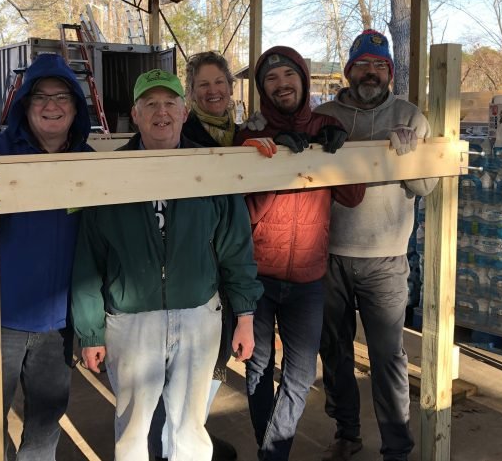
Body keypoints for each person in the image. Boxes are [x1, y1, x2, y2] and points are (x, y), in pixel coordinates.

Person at [71, 68, 264, 461]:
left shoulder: (210, 166)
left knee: (189, 428)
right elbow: (89, 258)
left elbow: (235, 247)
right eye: (151, 104)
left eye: (170, 103)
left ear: (184, 110)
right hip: (131, 320)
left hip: (198, 314)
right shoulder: (109, 174)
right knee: (132, 431)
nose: (162, 112)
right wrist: (91, 331)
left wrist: (244, 315)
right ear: (136, 114)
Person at [0, 53, 93, 460]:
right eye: (40, 96)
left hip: (60, 323)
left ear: (76, 107)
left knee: (46, 419)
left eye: (62, 96)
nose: (51, 105)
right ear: (25, 104)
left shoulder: (91, 161)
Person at [234, 46, 366, 461]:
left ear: (303, 80)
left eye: (288, 76)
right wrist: (277, 165)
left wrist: (337, 153)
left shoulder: (328, 125)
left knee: (302, 372)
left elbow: (352, 194)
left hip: (309, 277)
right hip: (258, 274)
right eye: (270, 79)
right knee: (257, 367)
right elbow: (247, 214)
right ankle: (270, 451)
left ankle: (272, 452)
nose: (281, 84)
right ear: (261, 89)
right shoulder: (249, 136)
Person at [314, 29, 438, 461]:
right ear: (349, 71)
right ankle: (346, 433)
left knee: (388, 358)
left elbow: (425, 187)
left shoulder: (410, 115)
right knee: (334, 352)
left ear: (389, 72)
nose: (370, 73)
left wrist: (408, 156)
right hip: (328, 258)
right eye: (362, 65)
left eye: (379, 66)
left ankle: (396, 449)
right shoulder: (325, 114)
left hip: (386, 261)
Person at [148, 52, 241, 461]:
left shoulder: (244, 135)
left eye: (218, 82)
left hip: (230, 264)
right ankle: (173, 446)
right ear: (191, 97)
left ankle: (190, 437)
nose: (212, 91)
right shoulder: (181, 139)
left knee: (211, 366)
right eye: (202, 85)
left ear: (231, 88)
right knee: (173, 374)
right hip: (190, 273)